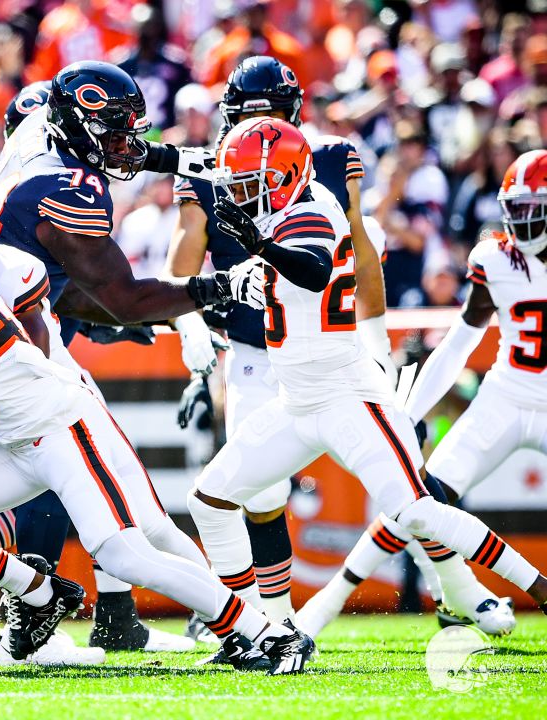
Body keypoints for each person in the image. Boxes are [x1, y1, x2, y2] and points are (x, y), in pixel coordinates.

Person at [0, 210, 315, 675]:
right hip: (12, 434)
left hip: (57, 425)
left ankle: (266, 633)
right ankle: (38, 594)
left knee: (127, 555)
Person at [185, 118, 547, 645]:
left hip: (346, 396)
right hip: (295, 401)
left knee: (419, 511)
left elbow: (309, 268)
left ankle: (539, 587)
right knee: (210, 498)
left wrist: (258, 244)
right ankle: (249, 633)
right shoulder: (278, 215)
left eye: (250, 185)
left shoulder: (313, 211)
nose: (242, 198)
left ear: (284, 175)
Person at [0, 61, 220, 651]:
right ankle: (233, 615)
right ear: (78, 126)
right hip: (14, 349)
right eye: (111, 130)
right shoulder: (64, 186)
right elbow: (126, 295)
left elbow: (79, 279)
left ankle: (101, 615)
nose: (125, 144)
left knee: (93, 480)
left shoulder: (37, 134)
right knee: (100, 485)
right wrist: (218, 290)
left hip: (1, 332)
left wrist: (178, 160)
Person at [166, 56, 393, 623]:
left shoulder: (331, 157)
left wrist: (378, 336)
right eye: (247, 117)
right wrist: (189, 326)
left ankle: (463, 590)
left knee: (406, 484)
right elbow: (181, 263)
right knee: (258, 494)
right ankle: (265, 618)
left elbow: (361, 248)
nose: (258, 135)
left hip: (334, 354)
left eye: (268, 117)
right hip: (254, 355)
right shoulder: (206, 167)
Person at [298, 149, 547, 638]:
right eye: (514, 208)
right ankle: (352, 602)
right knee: (421, 498)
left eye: (531, 208)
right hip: (506, 395)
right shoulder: (495, 257)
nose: (520, 220)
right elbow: (459, 343)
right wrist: (407, 411)